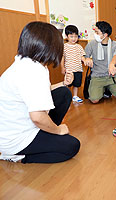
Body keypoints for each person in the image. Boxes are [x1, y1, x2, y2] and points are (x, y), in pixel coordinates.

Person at [0, 21, 80, 164]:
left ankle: (45, 134)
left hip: (13, 130)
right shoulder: (34, 71)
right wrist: (57, 130)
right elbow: (37, 117)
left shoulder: (26, 62)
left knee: (63, 92)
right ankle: (18, 156)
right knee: (71, 146)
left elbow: (39, 92)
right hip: (16, 139)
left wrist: (64, 84)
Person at [84, 21, 116, 103]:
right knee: (94, 100)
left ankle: (107, 89)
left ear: (105, 35)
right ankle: (102, 90)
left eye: (97, 32)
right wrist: (86, 59)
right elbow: (84, 55)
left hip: (111, 77)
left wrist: (112, 64)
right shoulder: (91, 44)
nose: (95, 34)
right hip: (97, 76)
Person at [61, 25, 87, 103]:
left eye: (75, 36)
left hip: (78, 69)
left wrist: (84, 60)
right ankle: (66, 96)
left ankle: (75, 96)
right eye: (71, 36)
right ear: (66, 36)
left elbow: (82, 56)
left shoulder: (79, 47)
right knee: (68, 83)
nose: (74, 38)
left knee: (76, 84)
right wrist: (62, 68)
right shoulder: (64, 46)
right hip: (69, 69)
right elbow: (62, 58)